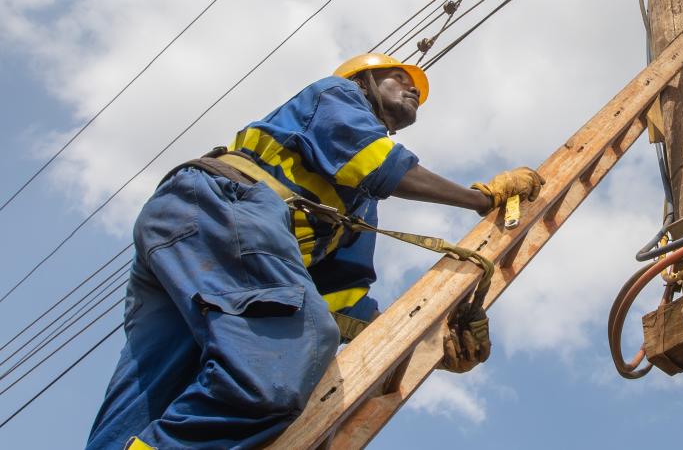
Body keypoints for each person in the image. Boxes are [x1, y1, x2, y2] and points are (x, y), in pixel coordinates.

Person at [86, 54, 544, 450]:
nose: (412, 89)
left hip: (196, 235)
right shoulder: (335, 97)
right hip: (226, 204)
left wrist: (433, 343)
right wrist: (481, 200)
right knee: (278, 363)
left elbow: (342, 304)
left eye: (417, 92)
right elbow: (380, 163)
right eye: (398, 78)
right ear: (361, 81)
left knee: (151, 388)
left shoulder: (356, 204)